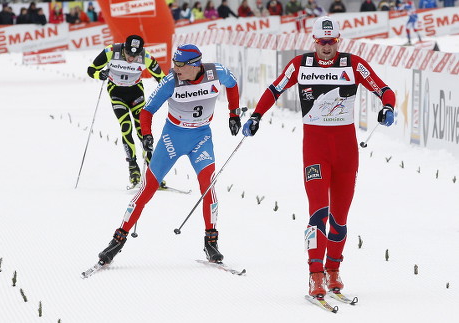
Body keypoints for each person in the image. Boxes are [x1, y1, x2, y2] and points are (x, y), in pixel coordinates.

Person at [242, 16, 396, 298]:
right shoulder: (301, 64)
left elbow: (384, 89)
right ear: (314, 41)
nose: (327, 47)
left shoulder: (353, 63)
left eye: (332, 42)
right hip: (315, 148)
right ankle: (315, 274)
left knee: (339, 216)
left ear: (339, 41)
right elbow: (275, 88)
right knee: (317, 213)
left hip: (346, 150)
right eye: (322, 42)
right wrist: (256, 116)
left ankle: (334, 270)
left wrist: (387, 108)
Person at [96, 44, 242, 266]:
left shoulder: (216, 72)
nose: (174, 68)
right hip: (172, 139)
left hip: (201, 138)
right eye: (174, 63)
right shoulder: (171, 80)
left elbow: (232, 85)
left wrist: (234, 113)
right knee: (147, 190)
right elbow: (147, 110)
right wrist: (146, 135)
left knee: (208, 187)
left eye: (180, 65)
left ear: (195, 65)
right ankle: (117, 240)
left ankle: (211, 241)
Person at [87, 35, 166, 186]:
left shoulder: (146, 57)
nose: (131, 58)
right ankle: (133, 167)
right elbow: (91, 70)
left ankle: (153, 172)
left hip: (136, 93)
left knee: (142, 130)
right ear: (124, 48)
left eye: (135, 55)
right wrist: (100, 74)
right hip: (116, 93)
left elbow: (161, 78)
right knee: (126, 127)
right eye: (129, 54)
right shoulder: (111, 52)